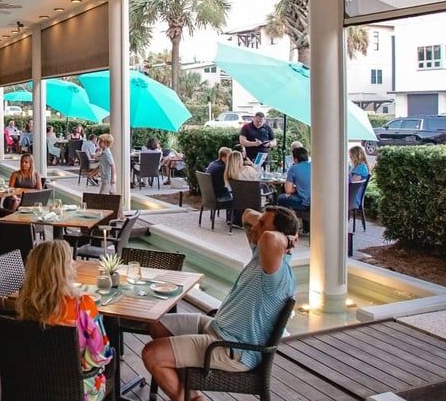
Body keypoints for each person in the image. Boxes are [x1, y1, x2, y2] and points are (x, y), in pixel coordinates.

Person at [142, 205, 298, 401]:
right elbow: (246, 213)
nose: (254, 228)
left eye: (262, 225)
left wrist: (290, 238)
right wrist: (264, 222)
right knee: (157, 322)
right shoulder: (261, 254)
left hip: (234, 348)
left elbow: (269, 238)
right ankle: (190, 390)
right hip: (216, 326)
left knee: (152, 354)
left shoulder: (277, 274)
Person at [16, 240, 112, 401]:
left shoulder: (25, 304)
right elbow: (100, 355)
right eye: (69, 261)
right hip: (77, 387)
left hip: (31, 384)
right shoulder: (82, 306)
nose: (74, 263)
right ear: (63, 270)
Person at [276, 146, 312, 227]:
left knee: (281, 198)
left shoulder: (294, 168)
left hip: (303, 202)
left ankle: (284, 224)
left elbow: (288, 190)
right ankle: (306, 227)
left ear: (295, 159)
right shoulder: (312, 166)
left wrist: (296, 189)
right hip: (314, 201)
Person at [348, 145, 370, 210]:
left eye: (351, 155)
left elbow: (353, 183)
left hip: (352, 199)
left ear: (356, 156)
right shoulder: (359, 166)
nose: (350, 157)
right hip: (353, 197)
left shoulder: (361, 167)